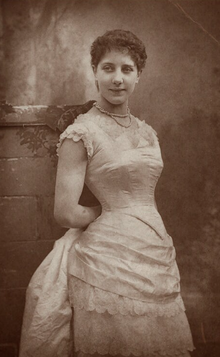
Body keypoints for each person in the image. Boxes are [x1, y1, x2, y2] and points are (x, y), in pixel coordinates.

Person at [19, 29, 194, 357]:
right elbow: (65, 212)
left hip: (154, 251)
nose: (117, 79)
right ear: (95, 72)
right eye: (108, 68)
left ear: (138, 75)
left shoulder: (148, 132)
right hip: (107, 260)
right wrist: (109, 214)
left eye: (127, 69)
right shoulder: (81, 132)